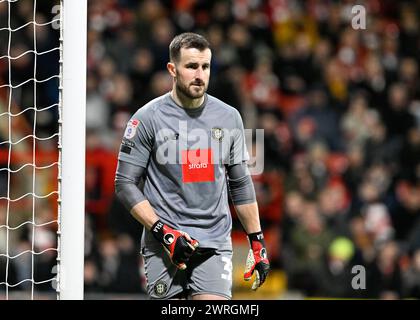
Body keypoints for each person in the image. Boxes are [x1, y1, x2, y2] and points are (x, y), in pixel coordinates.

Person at [114, 32, 270, 300]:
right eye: (191, 66)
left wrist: (257, 241)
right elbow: (125, 183)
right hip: (164, 244)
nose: (199, 74)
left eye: (205, 67)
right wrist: (162, 231)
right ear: (172, 70)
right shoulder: (147, 118)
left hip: (214, 241)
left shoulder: (229, 116)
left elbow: (241, 183)